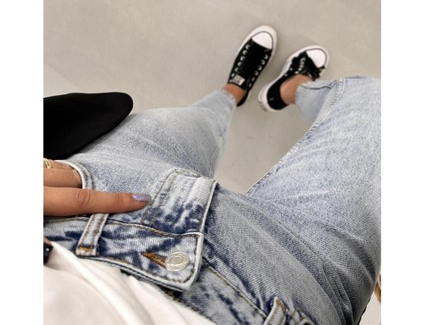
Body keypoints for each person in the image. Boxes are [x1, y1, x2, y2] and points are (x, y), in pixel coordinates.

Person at [44, 25, 380, 325]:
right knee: (377, 104)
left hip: (98, 198)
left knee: (204, 118)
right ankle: (290, 86)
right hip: (297, 290)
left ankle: (240, 90)